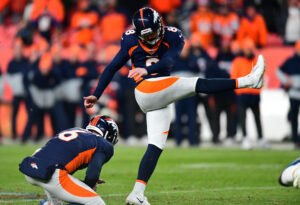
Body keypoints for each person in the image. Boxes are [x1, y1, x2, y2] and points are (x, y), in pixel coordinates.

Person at [84, 7, 266, 205]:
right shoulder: (129, 39)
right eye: (147, 35)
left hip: (159, 93)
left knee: (155, 146)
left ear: (160, 25)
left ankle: (137, 193)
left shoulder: (174, 35)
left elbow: (168, 60)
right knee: (196, 83)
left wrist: (147, 69)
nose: (152, 38)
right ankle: (249, 81)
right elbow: (112, 67)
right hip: (146, 90)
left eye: (154, 33)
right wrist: (96, 94)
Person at [19, 115, 119, 205]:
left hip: (33, 165)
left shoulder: (74, 130)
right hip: (51, 173)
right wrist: (90, 185)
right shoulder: (104, 145)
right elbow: (92, 175)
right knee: (96, 202)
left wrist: (82, 183)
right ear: (109, 135)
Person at [230, 38, 266, 149]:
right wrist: (238, 90)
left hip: (254, 94)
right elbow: (234, 77)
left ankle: (261, 139)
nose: (249, 51)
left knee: (257, 118)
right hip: (242, 94)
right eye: (247, 49)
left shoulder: (256, 61)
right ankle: (245, 138)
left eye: (250, 49)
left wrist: (257, 89)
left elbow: (261, 77)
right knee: (242, 118)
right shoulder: (238, 61)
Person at [277, 39, 300, 148]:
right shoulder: (290, 61)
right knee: (294, 117)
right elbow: (278, 71)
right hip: (294, 93)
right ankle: (296, 139)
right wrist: (286, 81)